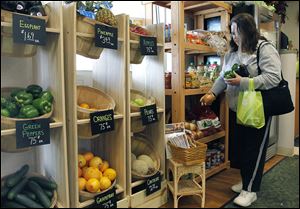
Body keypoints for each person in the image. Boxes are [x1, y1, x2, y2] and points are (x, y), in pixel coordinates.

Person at [200, 13, 281, 207]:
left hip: (258, 109)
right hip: (238, 109)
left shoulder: (264, 49)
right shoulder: (233, 53)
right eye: (232, 32)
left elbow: (273, 78)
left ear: (247, 31)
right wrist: (212, 92)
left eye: (237, 32)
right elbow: (223, 76)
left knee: (254, 149)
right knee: (242, 148)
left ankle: (250, 190)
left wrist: (242, 81)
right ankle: (246, 181)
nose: (234, 36)